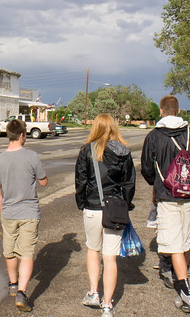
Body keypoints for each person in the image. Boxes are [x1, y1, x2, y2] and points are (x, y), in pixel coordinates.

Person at [141, 95, 190, 313]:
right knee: (187, 236)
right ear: (179, 110)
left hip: (168, 195)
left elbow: (146, 167)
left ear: (161, 111)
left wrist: (156, 185)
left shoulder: (154, 136)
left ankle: (185, 290)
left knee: (173, 242)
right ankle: (179, 271)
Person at [75, 113, 135, 317]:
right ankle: (107, 305)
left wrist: (81, 202)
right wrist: (126, 204)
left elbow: (81, 181)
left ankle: (93, 292)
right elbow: (129, 183)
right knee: (110, 258)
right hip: (115, 209)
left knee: (93, 249)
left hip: (92, 207)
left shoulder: (87, 150)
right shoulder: (123, 151)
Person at [0, 119, 48, 312]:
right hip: (29, 211)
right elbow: (43, 182)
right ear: (22, 135)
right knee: (27, 252)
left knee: (10, 249)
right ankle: (22, 292)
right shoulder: (32, 156)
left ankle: (13, 285)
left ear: (8, 134)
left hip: (9, 212)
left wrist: (2, 209)